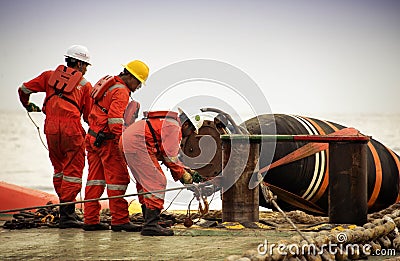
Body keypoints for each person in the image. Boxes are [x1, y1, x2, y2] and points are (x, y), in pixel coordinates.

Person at [17, 45, 93, 228]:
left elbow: (23, 89)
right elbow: (88, 116)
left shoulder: (48, 76)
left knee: (59, 169)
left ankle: (65, 210)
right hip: (71, 130)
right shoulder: (85, 85)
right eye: (86, 66)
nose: (86, 70)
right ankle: (67, 216)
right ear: (81, 64)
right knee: (72, 173)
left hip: (50, 129)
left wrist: (27, 105)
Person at [83, 60, 149, 232]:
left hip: (92, 137)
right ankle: (119, 220)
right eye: (138, 83)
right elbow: (115, 122)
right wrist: (125, 143)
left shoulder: (110, 85)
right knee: (118, 180)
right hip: (107, 141)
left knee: (95, 180)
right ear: (130, 76)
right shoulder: (121, 92)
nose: (137, 87)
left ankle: (90, 220)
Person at [120, 109, 198, 236]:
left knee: (145, 183)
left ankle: (149, 220)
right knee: (157, 181)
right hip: (137, 144)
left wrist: (185, 169)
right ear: (186, 125)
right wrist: (183, 175)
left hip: (127, 142)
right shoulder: (174, 128)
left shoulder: (167, 123)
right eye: (191, 131)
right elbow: (169, 156)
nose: (189, 135)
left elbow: (167, 154)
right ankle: (151, 225)